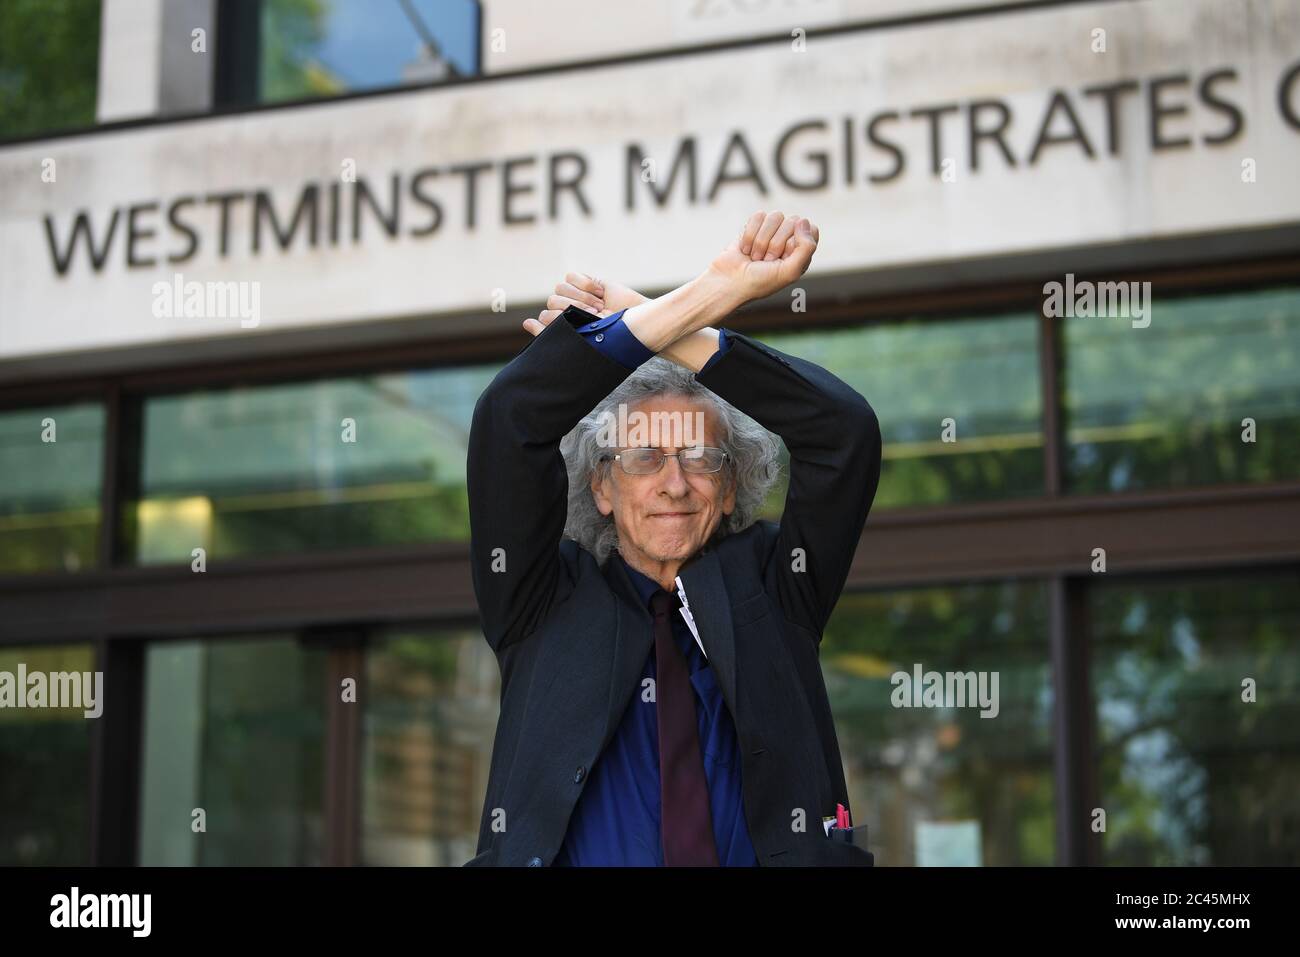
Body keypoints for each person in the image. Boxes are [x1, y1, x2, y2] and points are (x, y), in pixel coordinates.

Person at [464, 211, 882, 866]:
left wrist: (651, 316)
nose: (675, 484)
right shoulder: (539, 601)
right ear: (602, 486)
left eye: (700, 459)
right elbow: (511, 419)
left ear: (732, 482)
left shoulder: (778, 586)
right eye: (643, 459)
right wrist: (699, 297)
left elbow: (843, 431)